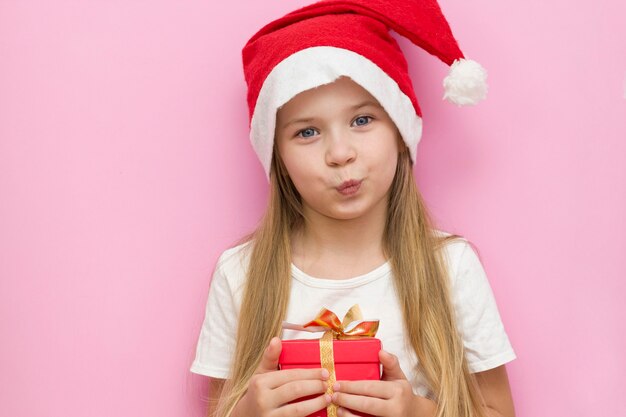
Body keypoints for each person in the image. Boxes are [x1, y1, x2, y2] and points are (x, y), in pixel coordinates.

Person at [190, 1, 517, 416]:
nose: (340, 153)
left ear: (400, 130)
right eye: (307, 132)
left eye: (362, 120)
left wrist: (421, 413)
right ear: (278, 156)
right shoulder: (240, 273)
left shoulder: (450, 266)